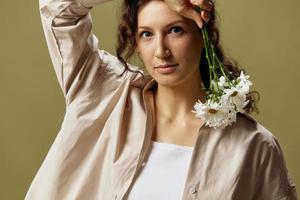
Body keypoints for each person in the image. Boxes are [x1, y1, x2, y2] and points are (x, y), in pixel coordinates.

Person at [25, 0, 298, 199]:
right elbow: (58, 8)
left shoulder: (253, 146)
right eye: (147, 34)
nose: (161, 51)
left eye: (175, 30)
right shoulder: (102, 92)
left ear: (203, 36)